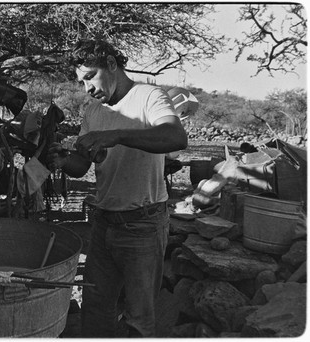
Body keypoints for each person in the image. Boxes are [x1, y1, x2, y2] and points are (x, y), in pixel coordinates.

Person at [46, 39, 188, 337]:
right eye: (81, 81)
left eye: (89, 77)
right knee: (95, 308)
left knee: (139, 317)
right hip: (103, 223)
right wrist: (62, 160)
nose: (87, 88)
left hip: (143, 225)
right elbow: (82, 166)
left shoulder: (149, 96)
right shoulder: (92, 112)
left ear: (111, 64)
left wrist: (117, 135)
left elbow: (176, 137)